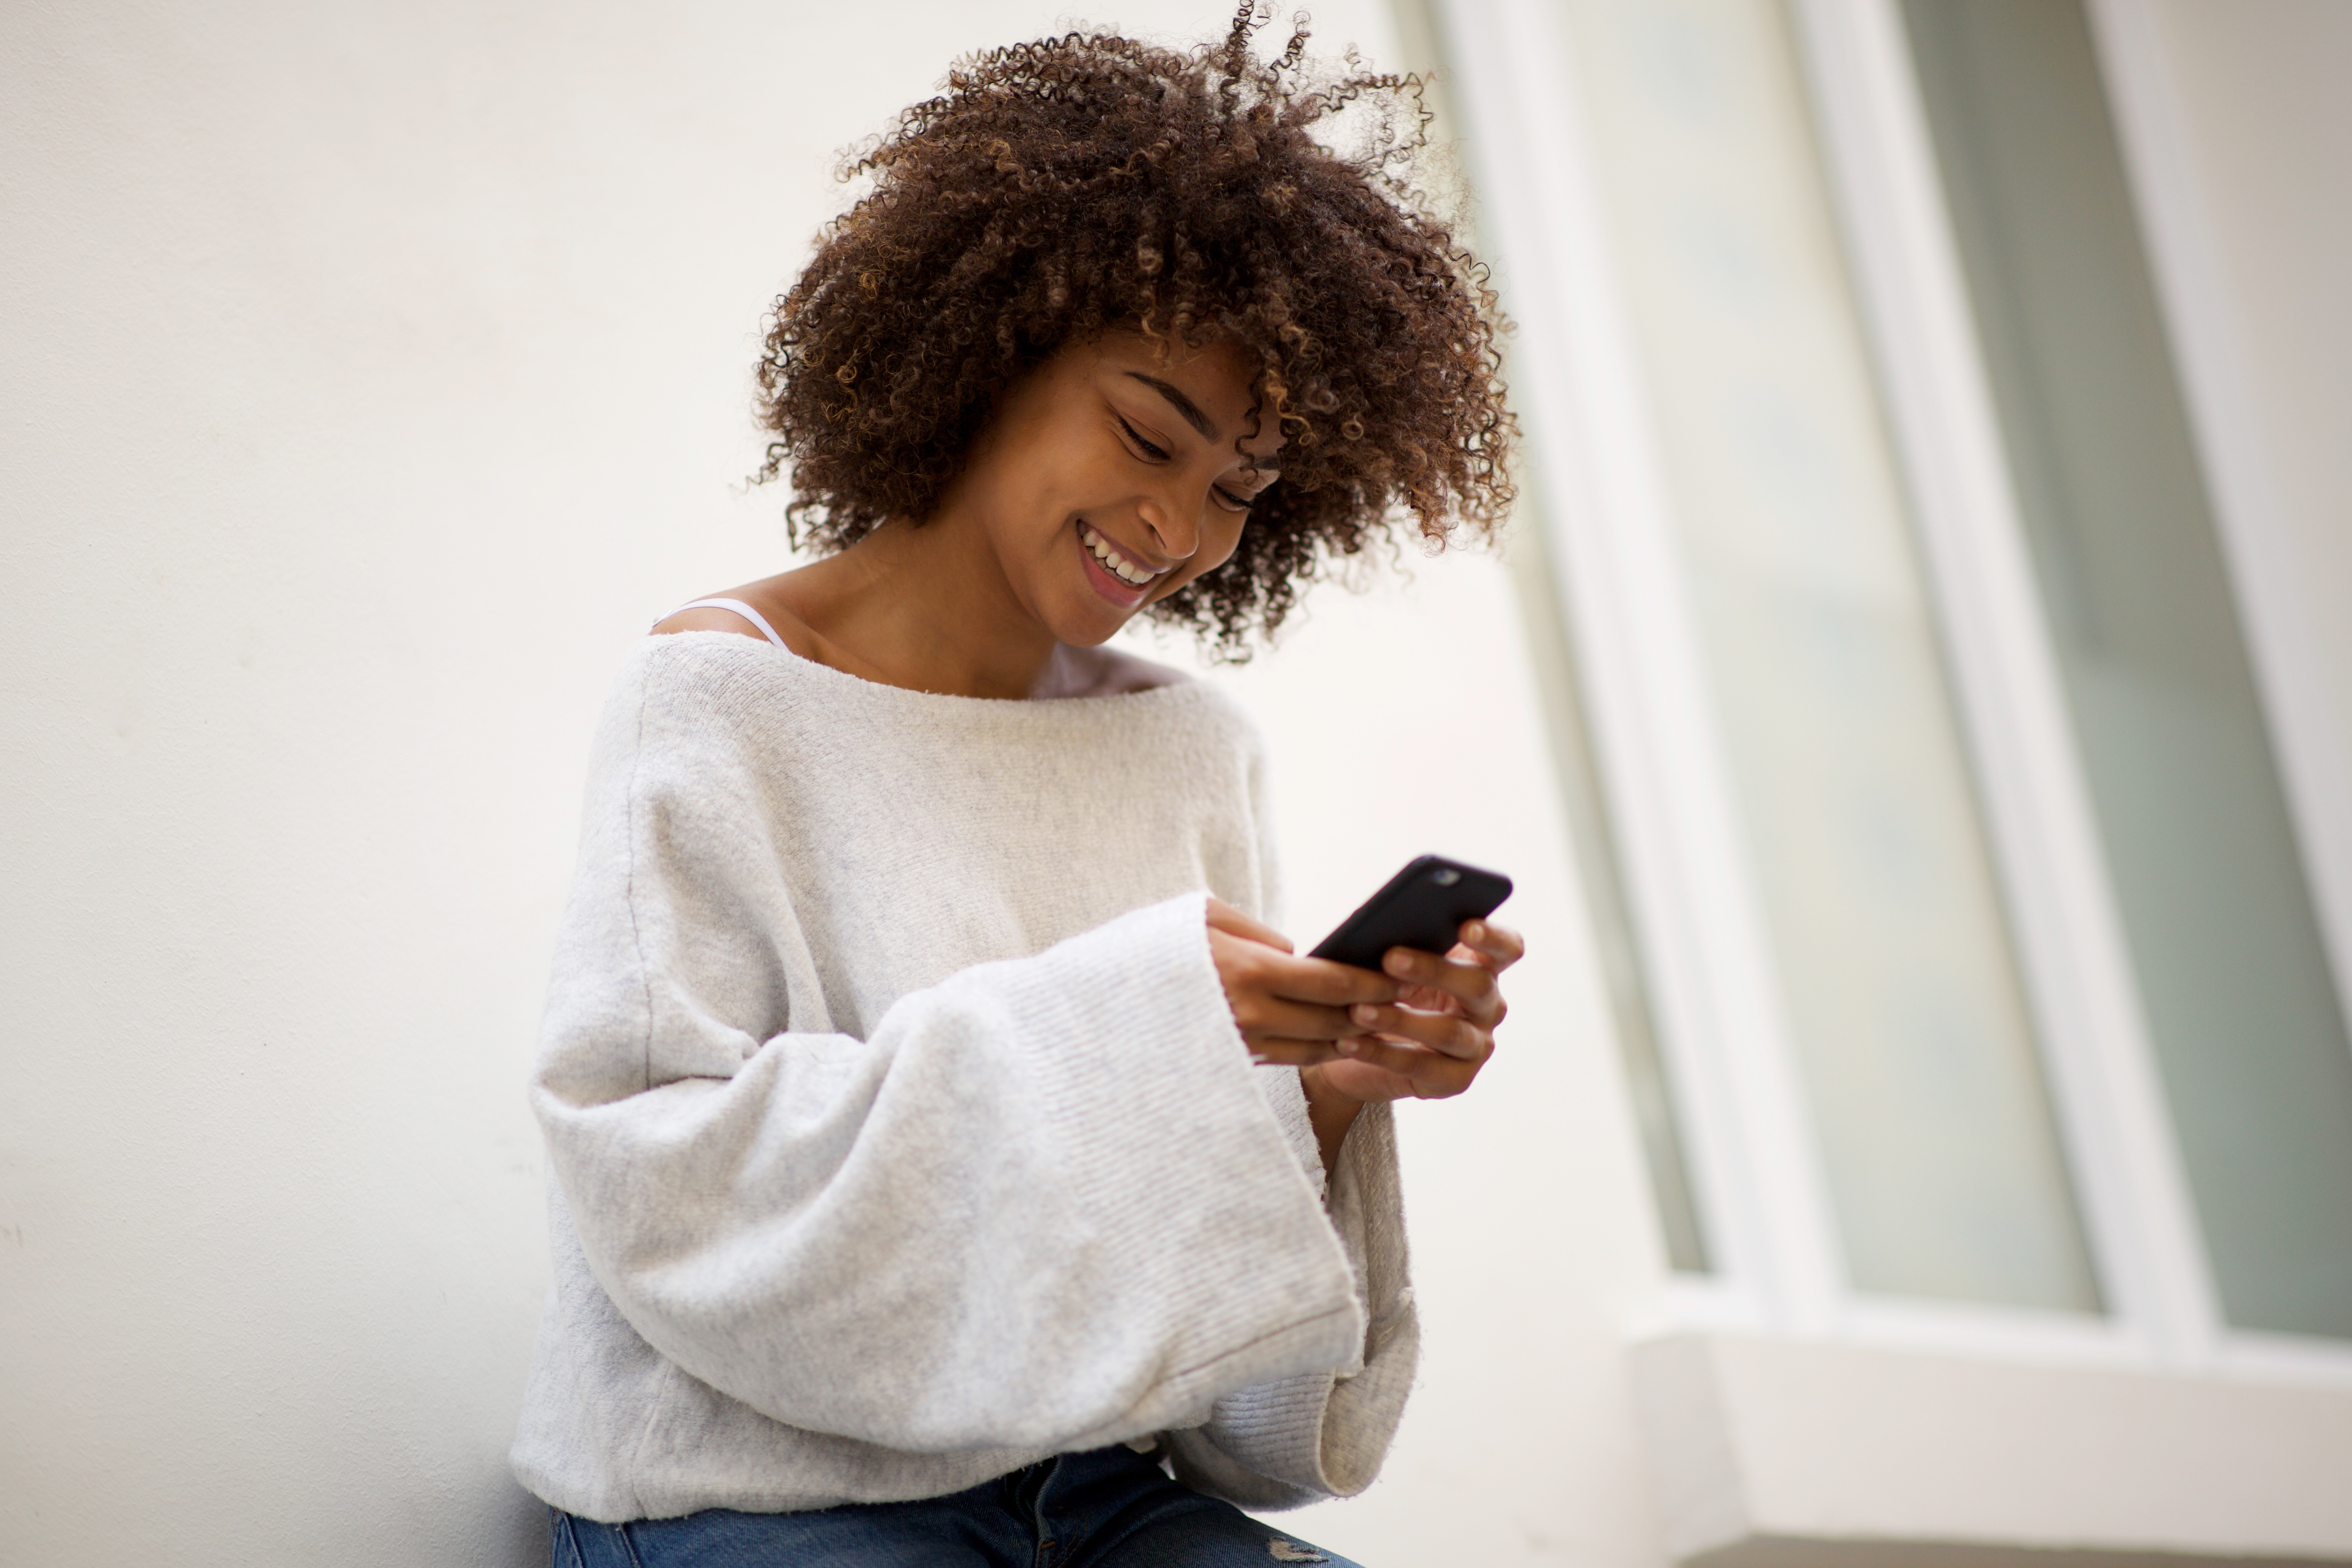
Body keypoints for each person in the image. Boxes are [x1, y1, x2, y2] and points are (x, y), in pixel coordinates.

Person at [511, 11, 1521, 1565]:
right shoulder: (715, 696)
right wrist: (1146, 1023)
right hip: (760, 1481)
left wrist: (1324, 1091)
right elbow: (667, 1187)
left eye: (1237, 490)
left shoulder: (1190, 751)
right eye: (1146, 433)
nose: (1179, 527)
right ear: (990, 354)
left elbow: (1208, 1380)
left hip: (1100, 1497)